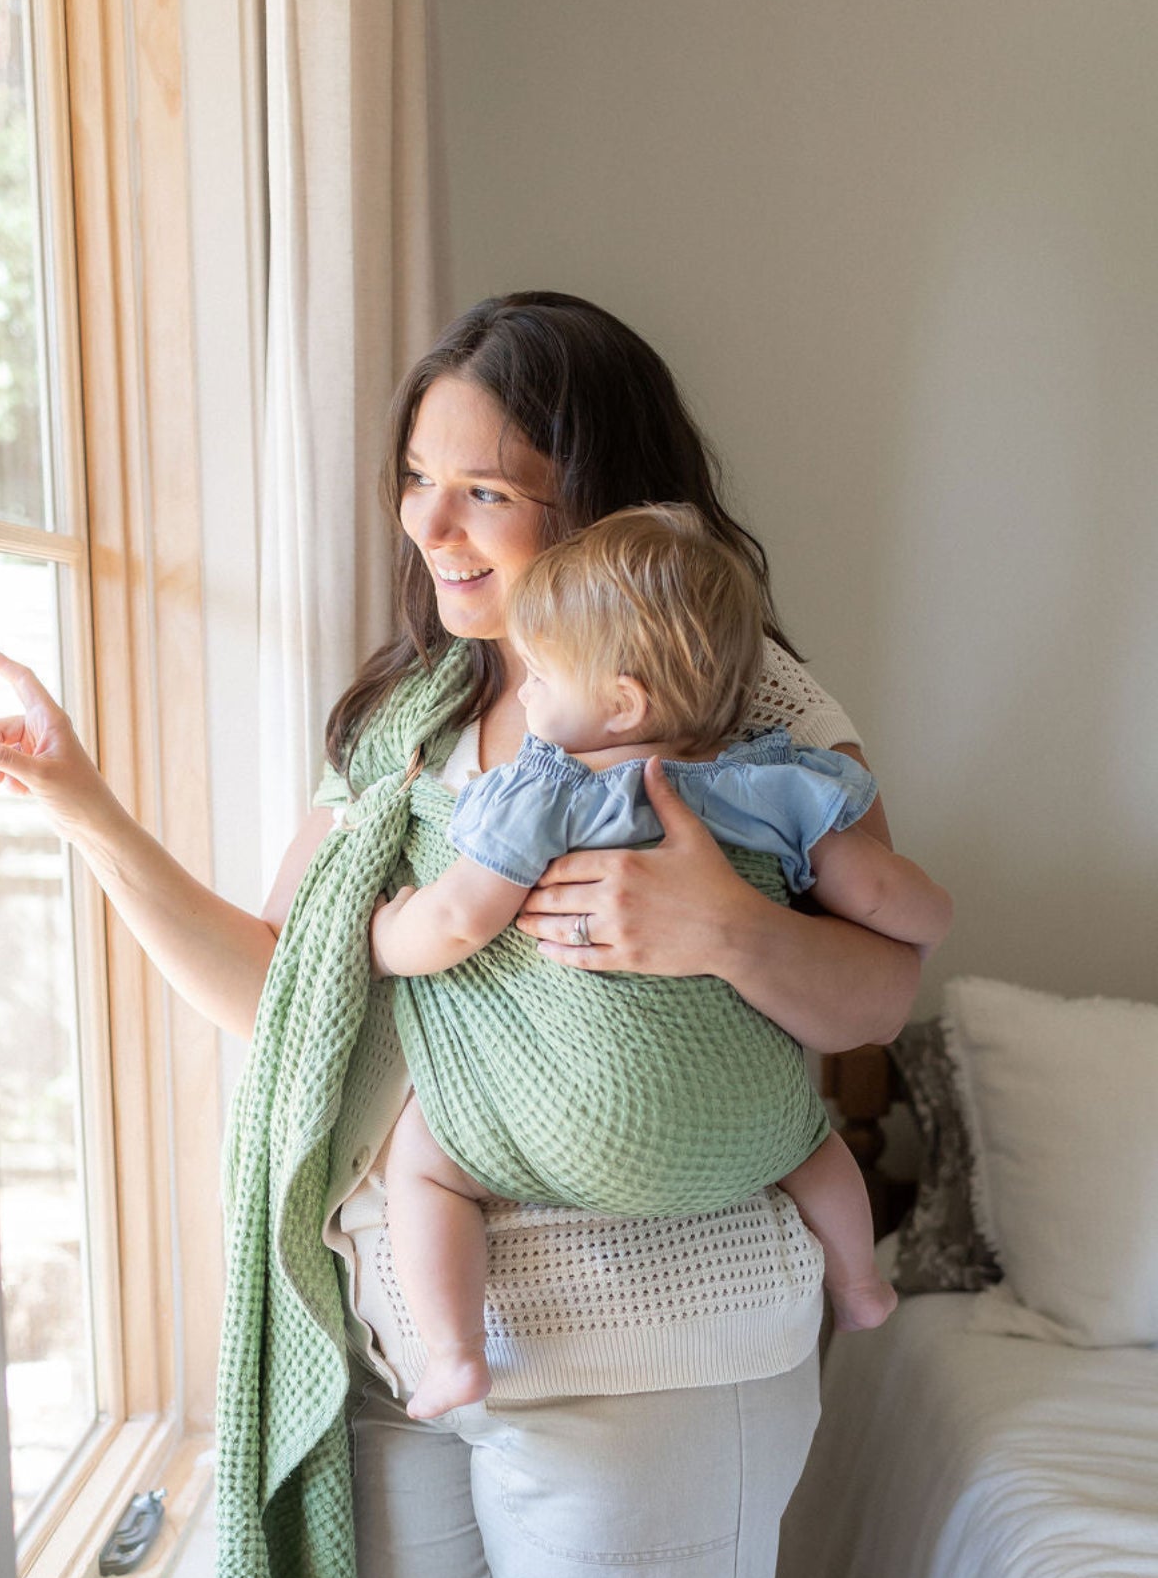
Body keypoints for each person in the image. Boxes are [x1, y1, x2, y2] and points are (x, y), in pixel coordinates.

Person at [0, 291, 929, 1578]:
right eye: (420, 479)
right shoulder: (406, 724)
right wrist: (84, 805)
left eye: (482, 487)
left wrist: (708, 923)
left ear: (599, 501)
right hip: (417, 1341)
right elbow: (292, 993)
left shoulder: (743, 696)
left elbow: (877, 989)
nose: (428, 522)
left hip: (656, 1351)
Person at [372, 502, 951, 1420]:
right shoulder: (771, 784)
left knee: (422, 1162)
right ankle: (859, 1285)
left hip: (578, 1128)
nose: (523, 694)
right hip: (750, 1131)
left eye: (540, 675)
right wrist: (930, 911)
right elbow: (888, 900)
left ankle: (455, 1354)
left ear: (621, 702)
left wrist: (387, 929)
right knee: (817, 1142)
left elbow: (453, 925)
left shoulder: (545, 793)